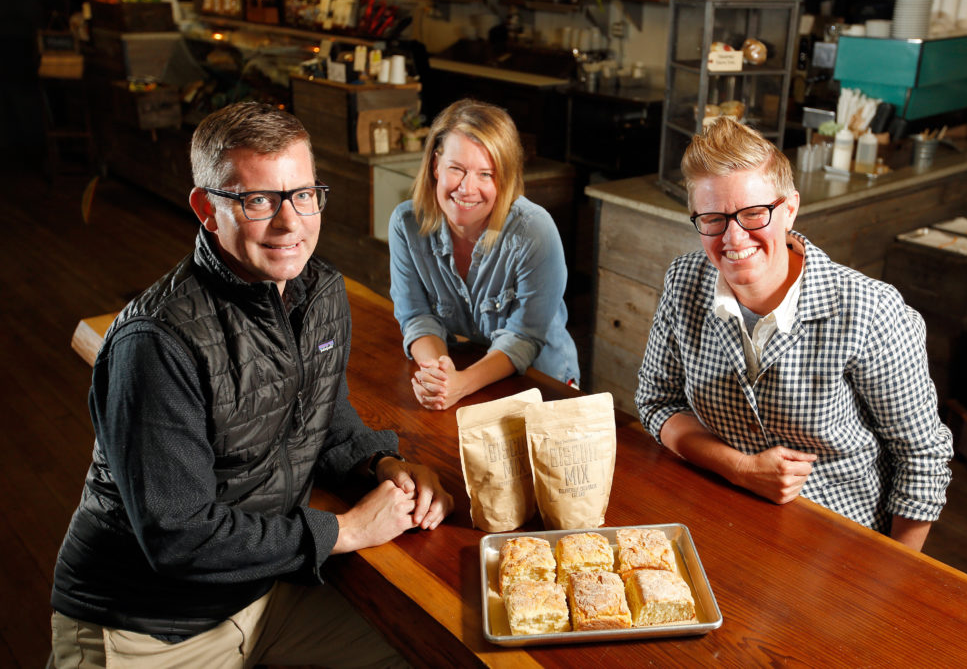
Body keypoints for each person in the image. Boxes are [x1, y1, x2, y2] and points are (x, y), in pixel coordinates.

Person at [49, 101, 453, 667]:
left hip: (265, 599)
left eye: (304, 195)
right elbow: (180, 536)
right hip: (144, 629)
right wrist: (345, 531)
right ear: (207, 209)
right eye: (259, 200)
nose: (290, 224)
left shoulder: (320, 293)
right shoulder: (155, 341)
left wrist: (384, 466)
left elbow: (327, 423)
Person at [635, 118, 952, 551]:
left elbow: (922, 456)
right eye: (713, 218)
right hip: (714, 509)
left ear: (789, 210)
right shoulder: (685, 280)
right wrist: (740, 469)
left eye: (752, 214)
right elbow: (657, 402)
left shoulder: (869, 310)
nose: (733, 237)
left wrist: (894, 574)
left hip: (838, 540)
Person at [388, 98, 579, 410]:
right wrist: (439, 374)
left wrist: (461, 384)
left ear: (504, 178)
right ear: (436, 165)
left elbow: (524, 338)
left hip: (543, 385)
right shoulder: (406, 224)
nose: (467, 188)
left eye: (486, 174)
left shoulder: (535, 231)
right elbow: (416, 317)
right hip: (470, 378)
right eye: (456, 169)